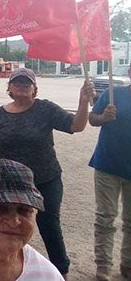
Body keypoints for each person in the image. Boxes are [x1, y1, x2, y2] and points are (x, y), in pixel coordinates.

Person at [0, 67, 94, 278]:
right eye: (17, 82)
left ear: (34, 88)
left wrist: (83, 102)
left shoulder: (45, 109)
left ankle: (61, 272)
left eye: (26, 82)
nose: (21, 85)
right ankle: (10, 269)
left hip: (47, 178)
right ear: (9, 87)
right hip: (14, 183)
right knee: (11, 225)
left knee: (49, 224)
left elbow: (76, 125)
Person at [88, 67, 131, 281]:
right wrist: (104, 116)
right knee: (105, 217)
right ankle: (103, 264)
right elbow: (92, 119)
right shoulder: (114, 94)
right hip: (107, 165)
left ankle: (128, 263)